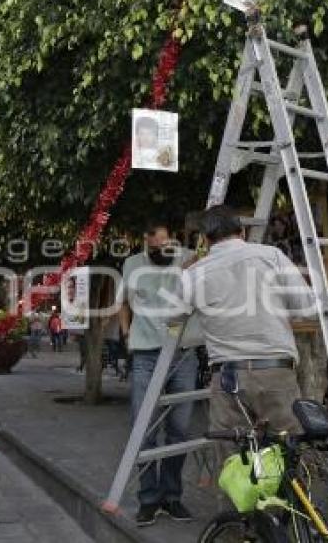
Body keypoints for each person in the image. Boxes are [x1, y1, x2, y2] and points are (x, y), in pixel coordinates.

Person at [181, 206, 328, 436]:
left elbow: (171, 319)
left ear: (205, 239)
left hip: (226, 379)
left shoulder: (193, 274)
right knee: (288, 456)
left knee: (233, 461)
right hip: (273, 374)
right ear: (241, 231)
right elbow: (307, 307)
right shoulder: (270, 256)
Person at [120, 221, 199, 526]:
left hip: (182, 354)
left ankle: (172, 497)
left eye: (167, 245)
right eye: (155, 247)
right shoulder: (132, 264)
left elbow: (208, 262)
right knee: (145, 428)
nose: (162, 250)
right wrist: (127, 335)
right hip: (146, 355)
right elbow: (124, 303)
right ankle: (149, 499)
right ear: (145, 242)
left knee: (179, 429)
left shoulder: (188, 257)